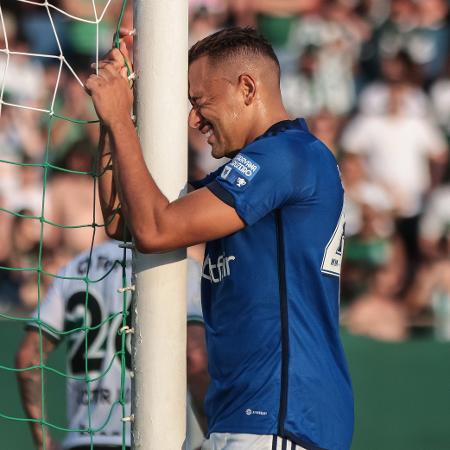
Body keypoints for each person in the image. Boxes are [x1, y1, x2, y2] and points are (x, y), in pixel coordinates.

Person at [86, 27, 354, 450]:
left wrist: (121, 118)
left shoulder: (289, 155)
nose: (194, 120)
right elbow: (127, 223)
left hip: (279, 420)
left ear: (247, 88)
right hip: (247, 421)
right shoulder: (259, 168)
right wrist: (116, 120)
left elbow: (157, 229)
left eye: (200, 102)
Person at [16, 240, 208, 450]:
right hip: (154, 439)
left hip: (84, 439)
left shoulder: (76, 266)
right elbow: (195, 359)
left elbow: (27, 358)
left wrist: (42, 440)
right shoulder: (179, 266)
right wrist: (209, 435)